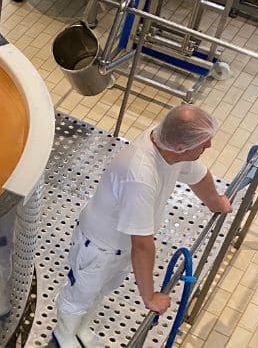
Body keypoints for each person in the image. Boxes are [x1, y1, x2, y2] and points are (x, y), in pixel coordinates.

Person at [52, 105, 232, 348]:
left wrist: (216, 201)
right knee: (81, 292)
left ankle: (81, 330)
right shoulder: (140, 175)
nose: (208, 147)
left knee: (100, 290)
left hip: (120, 246)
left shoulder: (167, 143)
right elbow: (143, 245)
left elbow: (196, 174)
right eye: (203, 143)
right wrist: (149, 297)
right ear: (181, 147)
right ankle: (64, 335)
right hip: (99, 245)